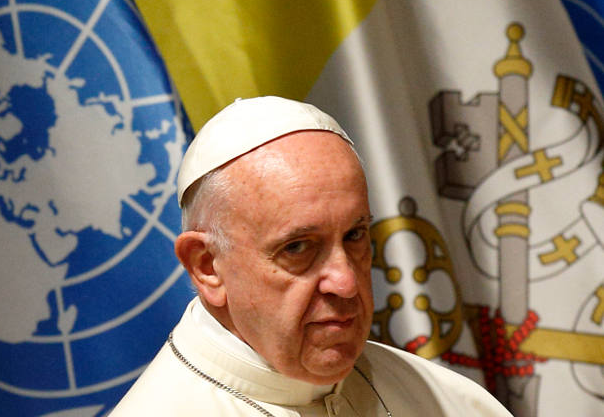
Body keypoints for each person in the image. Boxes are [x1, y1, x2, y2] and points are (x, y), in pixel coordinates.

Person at [110, 96, 512, 416]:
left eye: (355, 235)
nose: (347, 281)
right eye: (298, 248)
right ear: (207, 266)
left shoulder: (446, 401)